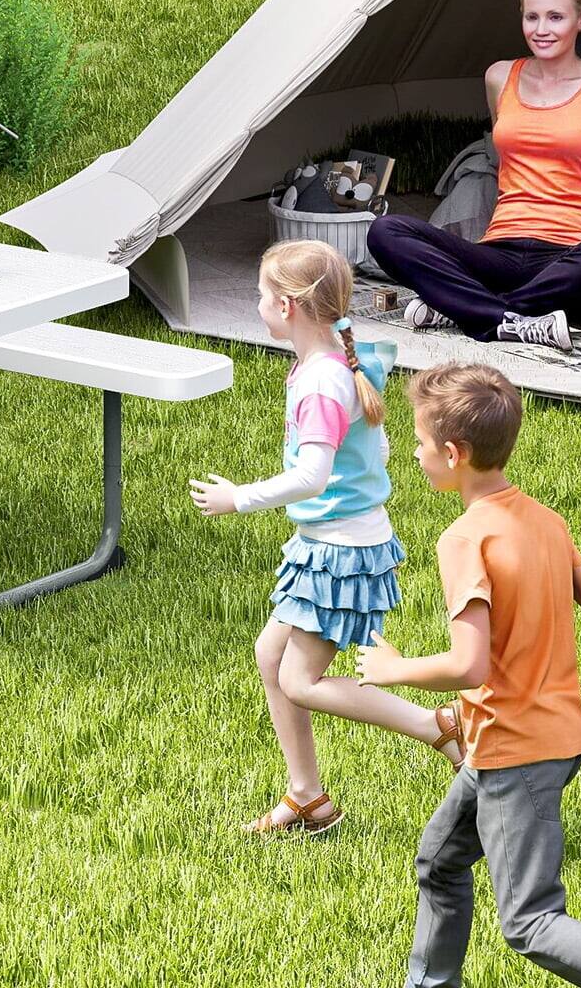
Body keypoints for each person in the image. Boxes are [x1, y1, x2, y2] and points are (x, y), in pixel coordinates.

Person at [359, 364, 581, 988]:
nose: (415, 453)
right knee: (439, 861)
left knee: (531, 921)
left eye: (420, 442)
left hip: (516, 752)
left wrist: (393, 669)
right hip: (538, 739)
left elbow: (469, 664)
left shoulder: (464, 539)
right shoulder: (544, 520)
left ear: (454, 454)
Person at [190, 240, 464, 836]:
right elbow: (376, 449)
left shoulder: (322, 382)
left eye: (261, 295)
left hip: (341, 552)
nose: (257, 304)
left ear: (287, 306)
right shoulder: (341, 364)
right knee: (271, 656)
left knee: (299, 680)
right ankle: (307, 797)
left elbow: (312, 476)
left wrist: (240, 498)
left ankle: (436, 726)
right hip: (332, 543)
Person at [366, 0, 581, 353]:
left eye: (555, 17)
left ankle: (468, 310)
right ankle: (512, 319)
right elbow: (504, 162)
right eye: (532, 17)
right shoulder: (499, 77)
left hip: (571, 254)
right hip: (499, 250)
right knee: (385, 231)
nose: (541, 29)